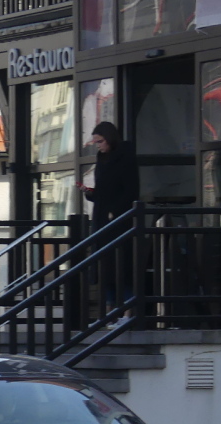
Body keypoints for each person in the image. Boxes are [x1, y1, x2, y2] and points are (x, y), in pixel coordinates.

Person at [76, 122, 139, 320]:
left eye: (100, 141)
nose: (98, 145)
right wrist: (89, 193)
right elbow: (102, 191)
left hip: (120, 221)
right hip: (102, 220)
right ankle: (111, 311)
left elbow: (131, 190)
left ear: (110, 138)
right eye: (95, 142)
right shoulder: (101, 159)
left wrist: (115, 210)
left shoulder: (126, 157)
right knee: (105, 268)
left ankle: (128, 311)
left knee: (123, 267)